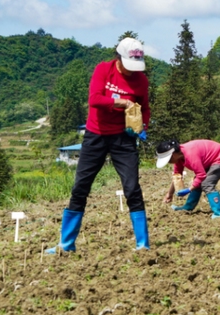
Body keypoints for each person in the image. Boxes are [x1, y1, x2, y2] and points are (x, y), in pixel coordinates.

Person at [47, 37, 151, 254]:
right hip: (96, 135)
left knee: (132, 188)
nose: (132, 71)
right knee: (80, 187)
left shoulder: (141, 80)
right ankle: (66, 244)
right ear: (119, 58)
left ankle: (143, 245)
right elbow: (95, 99)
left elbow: (145, 108)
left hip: (124, 138)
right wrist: (121, 102)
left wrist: (142, 126)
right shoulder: (103, 70)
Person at [157, 139, 220, 218]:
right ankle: (188, 207)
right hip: (210, 160)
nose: (169, 162)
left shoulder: (190, 154)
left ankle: (218, 213)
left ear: (173, 154)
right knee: (197, 183)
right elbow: (177, 176)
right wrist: (170, 194)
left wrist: (189, 189)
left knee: (207, 183)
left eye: (169, 160)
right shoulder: (178, 159)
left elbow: (201, 175)